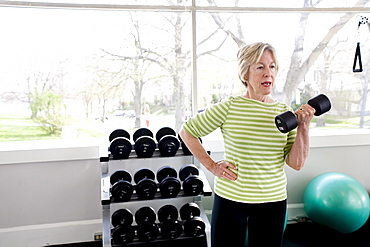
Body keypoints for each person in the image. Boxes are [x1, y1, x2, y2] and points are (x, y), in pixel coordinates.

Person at [179, 42, 315, 247]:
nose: (268, 73)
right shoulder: (229, 107)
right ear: (245, 73)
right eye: (260, 67)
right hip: (232, 199)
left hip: (272, 199)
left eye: (272, 67)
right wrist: (211, 165)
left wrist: (304, 128)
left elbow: (296, 163)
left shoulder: (284, 112)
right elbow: (187, 132)